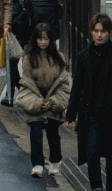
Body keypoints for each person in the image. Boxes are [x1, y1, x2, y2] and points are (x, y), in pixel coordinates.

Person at [65, 12, 112, 191]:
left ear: (109, 32)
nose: (99, 35)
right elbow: (77, 88)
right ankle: (96, 189)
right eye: (96, 31)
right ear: (91, 32)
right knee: (92, 150)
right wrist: (70, 115)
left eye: (103, 31)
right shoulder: (84, 57)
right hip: (90, 111)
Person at [15, 21, 71, 180]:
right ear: (35, 40)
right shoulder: (29, 58)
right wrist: (39, 102)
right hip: (35, 98)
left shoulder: (58, 57)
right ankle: (37, 164)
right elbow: (26, 82)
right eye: (40, 39)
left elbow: (63, 82)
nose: (43, 42)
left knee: (53, 133)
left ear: (51, 39)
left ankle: (55, 161)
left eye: (46, 39)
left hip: (53, 99)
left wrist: (52, 102)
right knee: (36, 133)